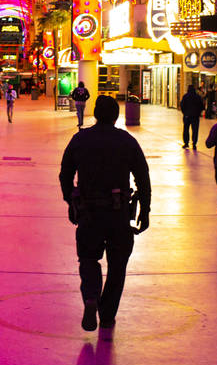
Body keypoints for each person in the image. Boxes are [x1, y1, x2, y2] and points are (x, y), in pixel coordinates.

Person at [59, 96, 151, 331]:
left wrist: (70, 200)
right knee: (118, 265)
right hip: (118, 212)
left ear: (95, 114)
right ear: (116, 116)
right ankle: (107, 314)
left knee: (89, 258)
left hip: (89, 212)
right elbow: (143, 177)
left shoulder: (80, 139)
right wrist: (145, 210)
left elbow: (65, 174)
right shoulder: (127, 141)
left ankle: (91, 296)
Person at [179, 84, 206, 149]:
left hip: (187, 116)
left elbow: (182, 105)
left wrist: (185, 113)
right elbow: (202, 106)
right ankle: (194, 143)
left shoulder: (185, 96)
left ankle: (186, 143)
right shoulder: (198, 97)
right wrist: (198, 113)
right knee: (195, 130)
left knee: (186, 130)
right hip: (195, 116)